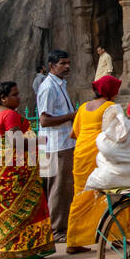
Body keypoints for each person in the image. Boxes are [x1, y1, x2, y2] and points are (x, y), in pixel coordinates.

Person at [0, 80, 54, 259]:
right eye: (14, 95)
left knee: (7, 215)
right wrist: (39, 142)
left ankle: (9, 253)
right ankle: (23, 251)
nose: (18, 98)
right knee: (19, 212)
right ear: (3, 98)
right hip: (12, 175)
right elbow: (16, 141)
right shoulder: (8, 114)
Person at [65, 75, 125, 254]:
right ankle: (116, 236)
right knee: (113, 192)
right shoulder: (110, 107)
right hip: (100, 155)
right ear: (111, 91)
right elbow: (121, 132)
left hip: (80, 155)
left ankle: (73, 240)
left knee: (81, 195)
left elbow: (73, 134)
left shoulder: (83, 108)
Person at [36, 50, 76, 243]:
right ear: (52, 66)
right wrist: (70, 116)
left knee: (63, 187)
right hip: (55, 145)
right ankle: (56, 229)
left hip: (62, 143)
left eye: (68, 63)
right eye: (62, 63)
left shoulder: (60, 85)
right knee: (58, 188)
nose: (67, 66)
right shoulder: (48, 87)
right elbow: (44, 120)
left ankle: (60, 226)